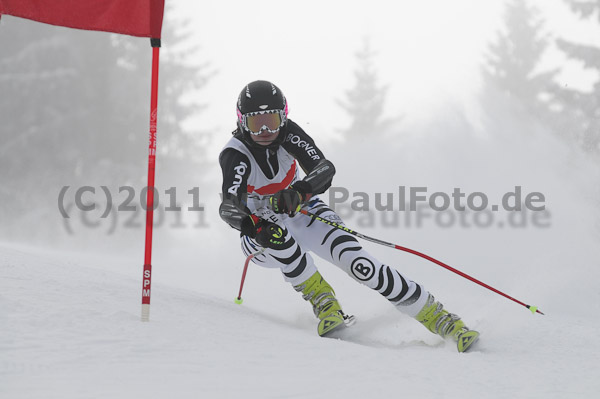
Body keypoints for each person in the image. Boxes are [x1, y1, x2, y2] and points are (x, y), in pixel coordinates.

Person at [218, 80, 479, 352]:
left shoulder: (289, 134)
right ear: (241, 122)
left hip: (302, 211)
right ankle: (323, 301)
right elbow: (229, 207)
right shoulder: (236, 154)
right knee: (278, 238)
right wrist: (254, 226)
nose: (264, 131)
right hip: (260, 231)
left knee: (359, 264)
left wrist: (299, 192)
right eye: (255, 123)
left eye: (271, 121)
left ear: (284, 117)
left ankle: (440, 318)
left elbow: (324, 169)